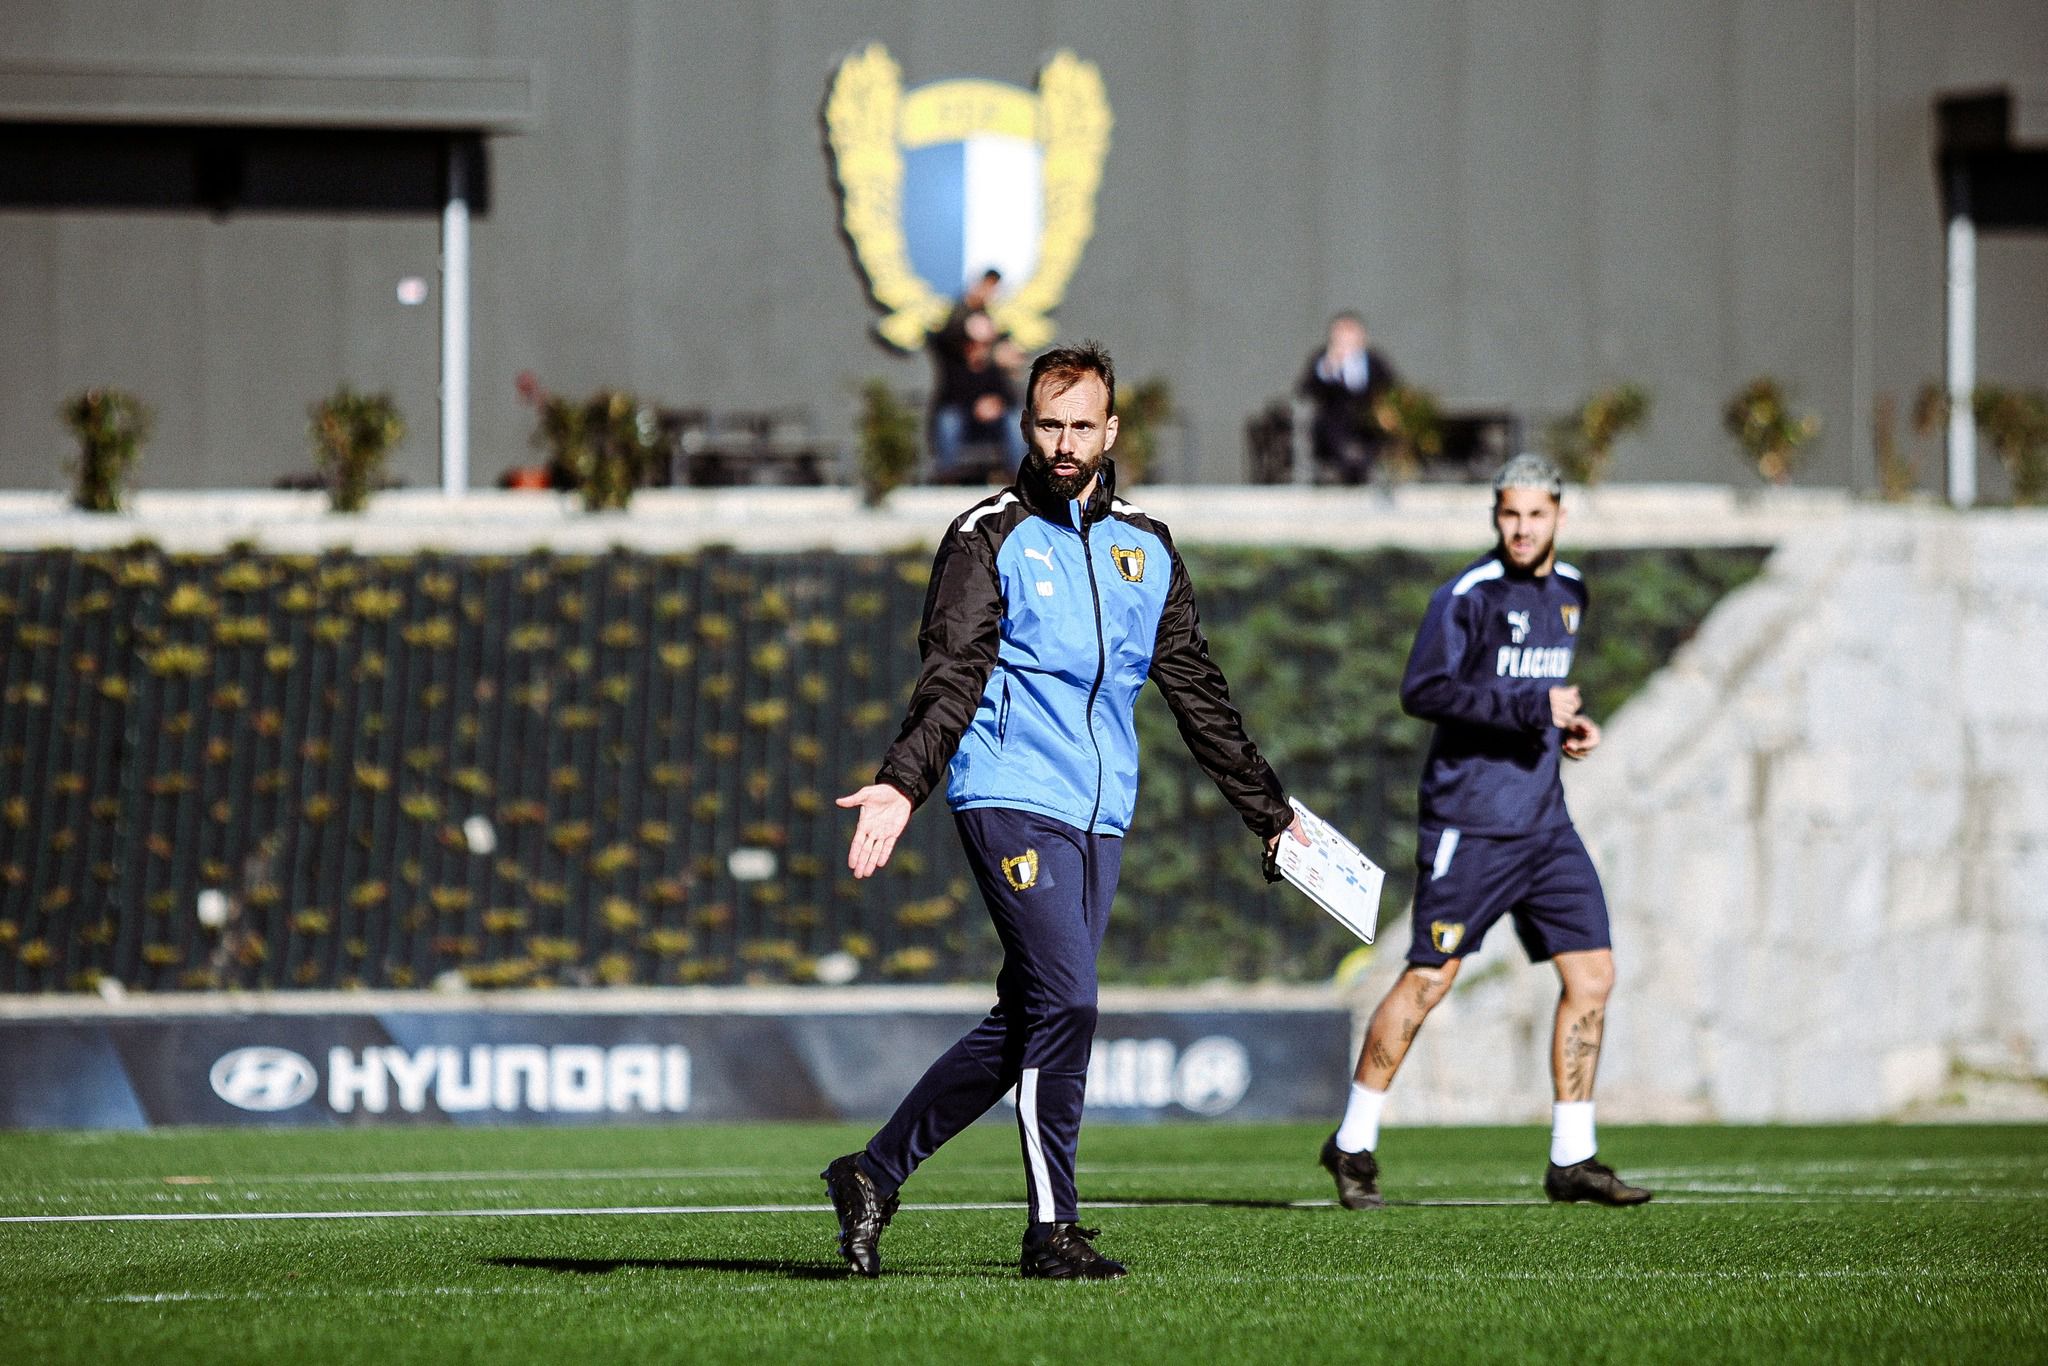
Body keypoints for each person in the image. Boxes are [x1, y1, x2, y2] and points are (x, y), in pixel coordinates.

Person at [826, 341, 1306, 1280]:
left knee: (1033, 1014)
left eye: (1082, 425)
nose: (1065, 442)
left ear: (1112, 429)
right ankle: (1053, 1231)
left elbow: (1196, 693)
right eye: (1049, 423)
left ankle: (873, 1173)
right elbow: (953, 672)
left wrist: (1272, 813)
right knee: (1071, 1000)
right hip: (1005, 792)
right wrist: (905, 779)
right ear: (1026, 425)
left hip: (1101, 814)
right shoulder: (986, 535)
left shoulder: (1148, 547)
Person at [1318, 453, 1651, 1210]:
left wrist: (1565, 729)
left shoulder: (1571, 593)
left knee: (1592, 975)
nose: (1523, 528)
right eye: (1510, 514)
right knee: (1431, 979)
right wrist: (1534, 713)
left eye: (1536, 514)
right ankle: (1353, 1141)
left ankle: (1574, 1158)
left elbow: (1538, 693)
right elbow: (1424, 690)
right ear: (1495, 517)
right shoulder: (1465, 596)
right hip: (1470, 824)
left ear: (1561, 517)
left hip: (1545, 824)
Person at [928, 269, 1027, 481]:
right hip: (963, 413)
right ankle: (947, 477)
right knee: (948, 421)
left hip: (992, 419)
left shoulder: (994, 362)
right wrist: (975, 405)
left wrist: (996, 403)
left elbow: (1008, 392)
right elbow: (944, 338)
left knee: (1014, 419)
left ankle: (1018, 476)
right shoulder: (954, 358)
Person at [1297, 311, 1400, 484]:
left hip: (1369, 425)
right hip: (1333, 426)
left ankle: (1361, 458)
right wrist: (1329, 368)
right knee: (1332, 427)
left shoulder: (1375, 362)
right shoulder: (1322, 361)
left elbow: (1392, 389)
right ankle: (1350, 457)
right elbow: (1306, 390)